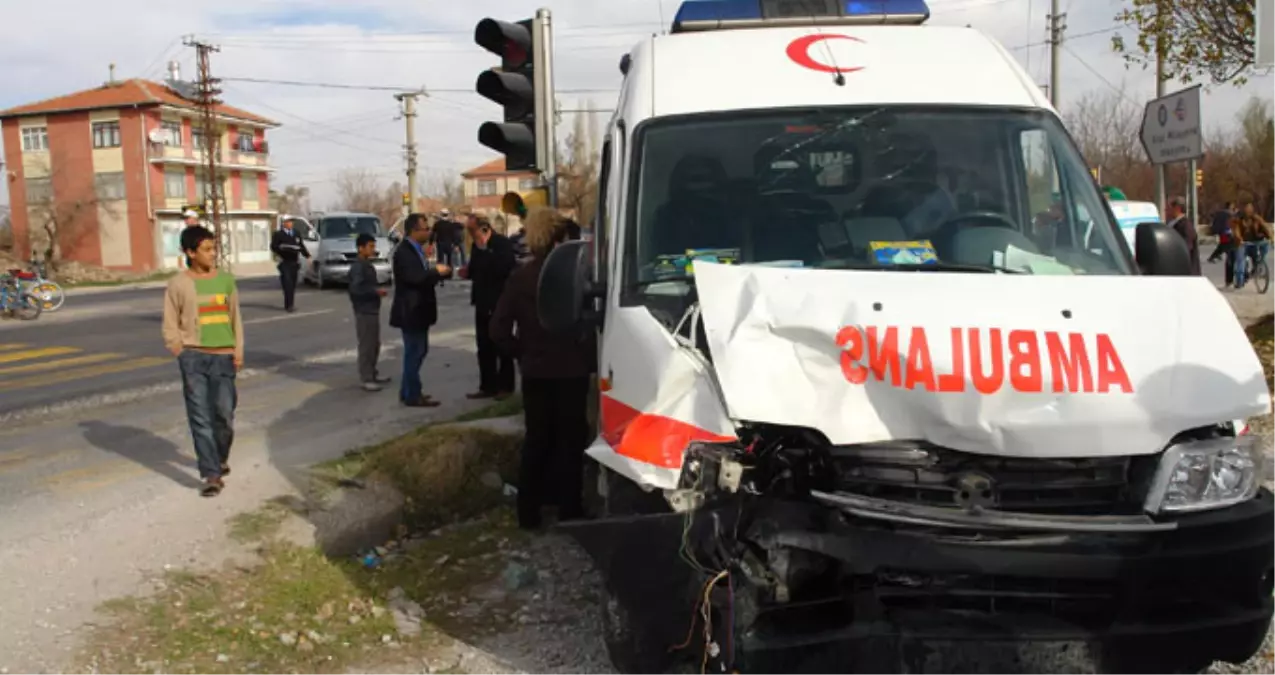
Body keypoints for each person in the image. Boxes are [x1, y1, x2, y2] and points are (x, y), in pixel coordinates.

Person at [490, 207, 596, 529]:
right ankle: (569, 507)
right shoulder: (575, 277)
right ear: (557, 239)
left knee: (537, 440)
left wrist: (522, 353)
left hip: (536, 371)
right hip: (571, 371)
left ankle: (529, 512)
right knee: (570, 439)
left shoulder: (521, 277)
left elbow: (498, 329)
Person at [162, 225, 244, 498]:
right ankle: (211, 474)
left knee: (224, 415)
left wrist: (238, 349)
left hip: (223, 356)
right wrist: (178, 348)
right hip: (193, 357)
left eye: (213, 248)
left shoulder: (226, 281)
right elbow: (170, 320)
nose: (213, 254)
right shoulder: (178, 284)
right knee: (200, 417)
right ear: (190, 252)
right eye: (206, 249)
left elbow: (235, 318)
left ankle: (220, 459)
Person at [389, 213, 451, 407]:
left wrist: (439, 274)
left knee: (418, 351)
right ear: (414, 231)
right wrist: (436, 272)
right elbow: (415, 278)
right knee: (414, 352)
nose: (428, 232)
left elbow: (423, 276)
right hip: (411, 310)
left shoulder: (416, 250)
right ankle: (412, 394)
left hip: (419, 310)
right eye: (425, 229)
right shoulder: (404, 252)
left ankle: (407, 391)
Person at [460, 214, 517, 400]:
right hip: (482, 301)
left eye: (472, 230)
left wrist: (486, 252)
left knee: (501, 344)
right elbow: (477, 270)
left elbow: (504, 268)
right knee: (484, 346)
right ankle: (487, 385)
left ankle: (505, 386)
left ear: (484, 229)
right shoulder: (477, 247)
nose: (470, 235)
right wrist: (467, 272)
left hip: (499, 301)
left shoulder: (501, 244)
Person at [349, 233, 391, 392]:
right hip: (364, 310)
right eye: (370, 246)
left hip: (372, 309)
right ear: (361, 248)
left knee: (374, 344)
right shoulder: (358, 266)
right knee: (367, 345)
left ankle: (373, 373)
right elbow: (356, 289)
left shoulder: (366, 264)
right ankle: (366, 377)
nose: (373, 249)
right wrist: (375, 292)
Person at [270, 217, 310, 312]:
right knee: (287, 283)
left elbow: (301, 246)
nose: (290, 224)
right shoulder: (278, 234)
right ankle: (288, 305)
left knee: (292, 283)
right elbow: (273, 246)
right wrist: (280, 250)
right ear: (284, 223)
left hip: (294, 261)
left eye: (291, 222)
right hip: (284, 261)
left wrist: (308, 256)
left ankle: (291, 302)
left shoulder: (296, 233)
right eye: (288, 222)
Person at [1233, 201, 1273, 289]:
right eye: (1246, 208)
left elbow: (1265, 227)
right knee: (1241, 262)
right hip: (1243, 243)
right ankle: (1240, 280)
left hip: (1255, 242)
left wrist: (1271, 237)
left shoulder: (1256, 218)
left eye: (1250, 208)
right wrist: (1240, 239)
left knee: (1265, 247)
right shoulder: (1238, 220)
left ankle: (1259, 265)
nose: (1248, 210)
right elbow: (1236, 231)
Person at [1166, 196, 1200, 275]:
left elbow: (1186, 248)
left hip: (1185, 273)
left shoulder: (1185, 226)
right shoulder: (1172, 224)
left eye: (1169, 208)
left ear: (1177, 208)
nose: (1166, 210)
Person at [1208, 201, 1236, 266]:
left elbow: (1212, 216)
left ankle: (1215, 256)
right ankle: (1217, 257)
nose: (1233, 207)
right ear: (1230, 206)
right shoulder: (1229, 213)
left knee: (1223, 244)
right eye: (1232, 206)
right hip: (1226, 231)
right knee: (1226, 245)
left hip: (1221, 231)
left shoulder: (1220, 212)